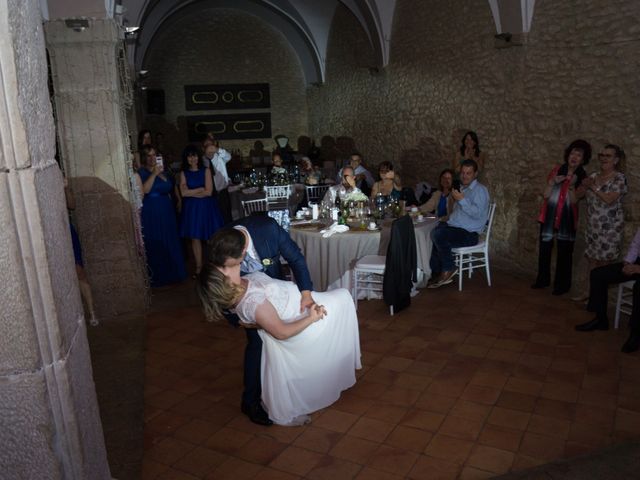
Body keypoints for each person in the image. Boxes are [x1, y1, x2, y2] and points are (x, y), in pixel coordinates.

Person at [205, 217, 317, 425]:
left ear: (243, 253)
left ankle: (288, 388)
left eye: (232, 266)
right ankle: (251, 401)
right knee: (257, 344)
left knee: (286, 340)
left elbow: (296, 259)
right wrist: (237, 320)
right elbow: (216, 287)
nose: (227, 272)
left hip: (275, 290)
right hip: (248, 300)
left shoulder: (268, 230)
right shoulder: (218, 246)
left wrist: (306, 293)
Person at [532, 139, 590, 295]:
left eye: (579, 155)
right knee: (545, 250)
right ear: (568, 155)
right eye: (573, 153)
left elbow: (574, 200)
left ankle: (562, 286)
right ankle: (542, 280)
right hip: (549, 216)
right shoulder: (557, 170)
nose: (574, 157)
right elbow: (545, 194)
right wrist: (552, 182)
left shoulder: (584, 178)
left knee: (565, 253)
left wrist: (572, 185)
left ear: (583, 159)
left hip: (567, 219)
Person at [572, 144, 627, 302]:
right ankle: (587, 293)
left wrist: (594, 187)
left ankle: (597, 299)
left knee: (603, 264)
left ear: (616, 160)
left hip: (610, 230)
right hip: (593, 227)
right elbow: (577, 197)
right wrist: (582, 186)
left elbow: (610, 199)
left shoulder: (619, 178)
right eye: (601, 155)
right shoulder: (594, 175)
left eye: (608, 156)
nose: (603, 158)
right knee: (592, 261)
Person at [575, 228, 640, 353]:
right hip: (636, 263)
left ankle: (636, 334)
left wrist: (638, 269)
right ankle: (601, 320)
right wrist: (627, 263)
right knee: (598, 274)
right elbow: (636, 244)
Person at [428, 159, 489, 288]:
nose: (464, 176)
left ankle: (449, 268)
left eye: (468, 173)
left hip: (469, 234)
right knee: (433, 230)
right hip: (456, 228)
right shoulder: (462, 189)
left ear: (475, 174)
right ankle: (436, 273)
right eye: (463, 173)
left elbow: (477, 213)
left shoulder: (480, 190)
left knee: (439, 234)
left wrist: (462, 200)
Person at [135, 145, 187, 287]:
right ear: (145, 158)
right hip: (151, 210)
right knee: (156, 238)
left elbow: (171, 186)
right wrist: (154, 174)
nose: (152, 159)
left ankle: (175, 273)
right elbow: (144, 190)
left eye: (154, 155)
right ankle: (159, 276)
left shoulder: (164, 172)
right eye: (149, 156)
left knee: (170, 238)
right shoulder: (141, 173)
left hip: (166, 210)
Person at [179, 145, 224, 277]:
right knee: (195, 237)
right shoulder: (183, 173)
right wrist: (200, 189)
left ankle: (214, 267)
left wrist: (191, 192)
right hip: (192, 209)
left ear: (198, 157)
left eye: (194, 155)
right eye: (189, 156)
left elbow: (209, 192)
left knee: (211, 237)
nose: (192, 158)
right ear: (186, 158)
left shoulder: (206, 171)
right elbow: (183, 193)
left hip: (206, 207)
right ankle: (199, 268)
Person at [64, 176, 98, 326]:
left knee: (79, 272)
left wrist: (65, 187)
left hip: (67, 231)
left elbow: (72, 205)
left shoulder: (60, 183)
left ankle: (92, 313)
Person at [203, 140, 232, 224]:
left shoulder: (220, 157)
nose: (209, 148)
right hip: (211, 193)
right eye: (206, 146)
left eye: (211, 146)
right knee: (215, 219)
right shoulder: (203, 160)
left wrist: (218, 150)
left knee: (227, 217)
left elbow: (228, 156)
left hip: (223, 192)